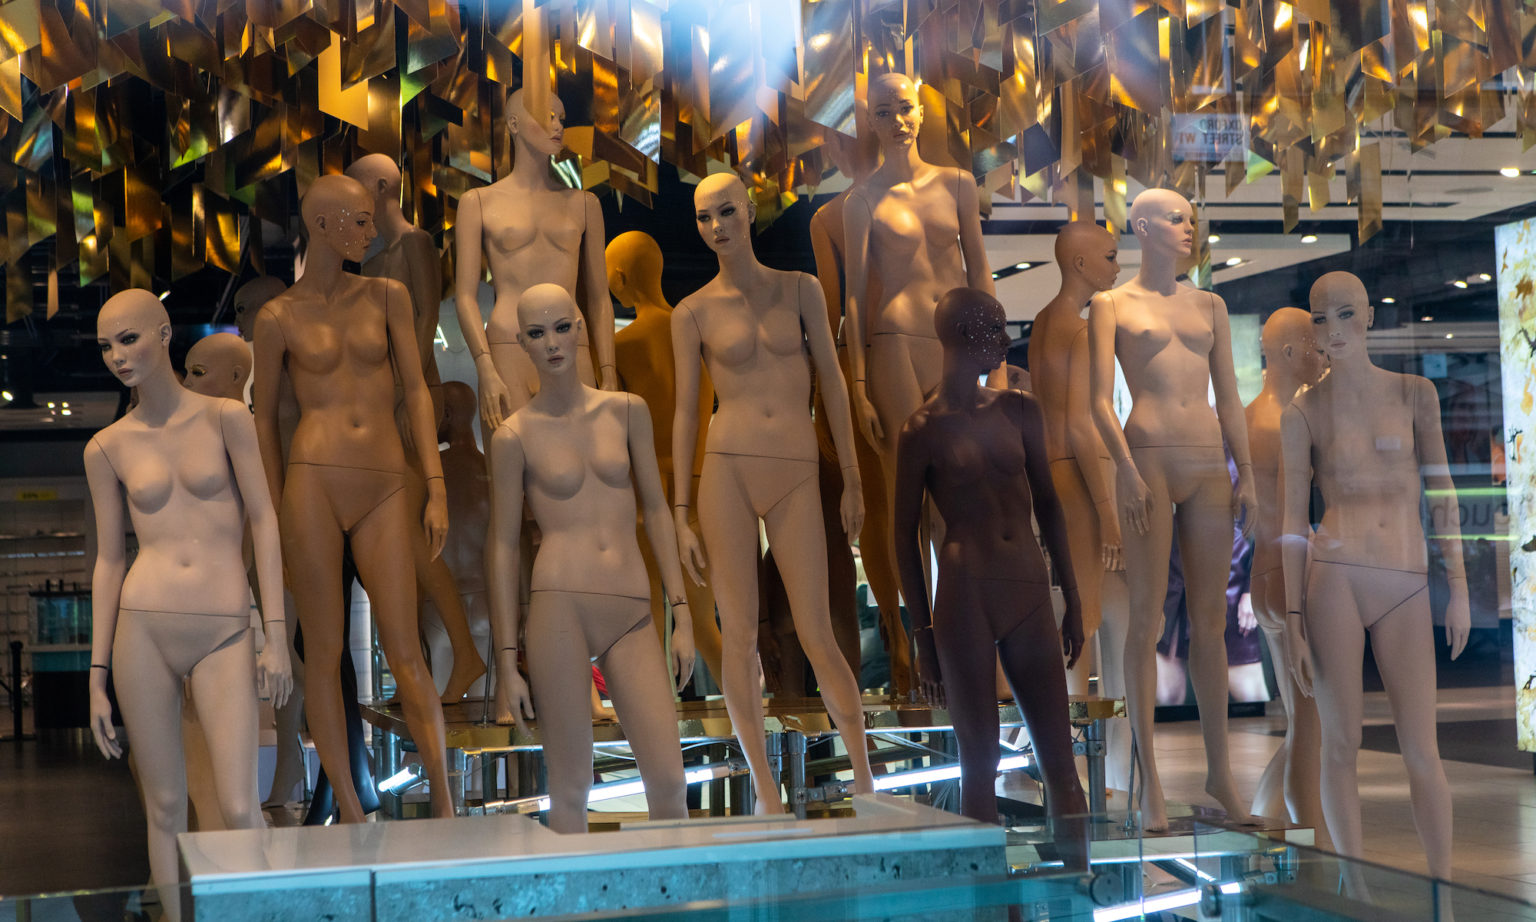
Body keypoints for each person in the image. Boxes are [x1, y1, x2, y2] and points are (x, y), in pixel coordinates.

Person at [252, 173, 453, 822]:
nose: (370, 232)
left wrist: (436, 485)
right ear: (323, 225)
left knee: (405, 648)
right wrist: (274, 515)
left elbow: (417, 391)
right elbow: (264, 423)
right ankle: (349, 807)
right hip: (311, 483)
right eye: (360, 221)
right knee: (325, 652)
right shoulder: (277, 317)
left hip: (385, 481)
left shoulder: (388, 295)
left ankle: (446, 804)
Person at [671, 172, 874, 812]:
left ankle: (865, 778)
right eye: (703, 217)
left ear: (750, 210)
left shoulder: (801, 289)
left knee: (817, 629)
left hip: (795, 466)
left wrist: (852, 477)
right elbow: (685, 412)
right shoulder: (692, 311)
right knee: (739, 636)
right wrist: (679, 511)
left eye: (726, 211)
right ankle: (765, 790)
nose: (716, 227)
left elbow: (832, 383)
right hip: (727, 467)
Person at [86, 290, 292, 919]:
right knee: (165, 806)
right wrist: (96, 675)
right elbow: (109, 561)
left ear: (164, 332)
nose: (118, 357)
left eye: (128, 339)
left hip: (224, 626)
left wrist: (275, 633)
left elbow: (266, 520)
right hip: (142, 627)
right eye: (106, 346)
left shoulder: (226, 418)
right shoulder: (106, 447)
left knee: (239, 804)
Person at [1281, 271, 1468, 892]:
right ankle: (1354, 885)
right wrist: (1294, 621)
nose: (1332, 329)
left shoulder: (1415, 394)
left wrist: (1459, 586)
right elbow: (1291, 522)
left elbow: (1442, 491)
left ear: (1368, 317)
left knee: (1422, 749)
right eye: (1319, 318)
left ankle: (1444, 891)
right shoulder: (1303, 412)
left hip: (1405, 581)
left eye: (1343, 314)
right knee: (1341, 742)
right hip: (1333, 580)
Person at [894, 287, 1089, 869]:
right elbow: (902, 535)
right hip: (965, 595)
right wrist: (923, 636)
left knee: (1060, 761)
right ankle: (991, 905)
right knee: (979, 765)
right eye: (994, 328)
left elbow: (1049, 504)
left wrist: (1072, 597)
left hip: (1026, 587)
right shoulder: (922, 428)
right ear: (960, 336)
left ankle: (1079, 891)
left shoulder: (1020, 409)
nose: (1005, 341)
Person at [489, 284, 695, 834]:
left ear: (580, 327)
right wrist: (506, 660)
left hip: (632, 610)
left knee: (670, 784)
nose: (552, 343)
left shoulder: (627, 411)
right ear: (521, 343)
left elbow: (657, 510)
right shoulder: (513, 436)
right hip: (559, 606)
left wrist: (682, 612)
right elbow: (503, 546)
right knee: (570, 788)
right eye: (537, 333)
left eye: (562, 327)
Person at [1087, 188, 1255, 830]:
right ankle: (1148, 781)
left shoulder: (1210, 303)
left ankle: (1220, 774)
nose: (1189, 227)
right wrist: (1125, 470)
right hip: (1148, 458)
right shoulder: (1112, 304)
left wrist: (1249, 475)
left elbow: (1229, 397)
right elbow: (1098, 401)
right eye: (1177, 218)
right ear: (1141, 226)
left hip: (1209, 460)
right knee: (1146, 619)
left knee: (1211, 620)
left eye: (1192, 218)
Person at [1026, 220, 1130, 787]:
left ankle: (1073, 767)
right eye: (1110, 257)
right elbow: (1081, 425)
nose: (1118, 266)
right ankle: (1079, 772)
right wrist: (1109, 512)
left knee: (1075, 616)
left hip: (1051, 475)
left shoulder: (1044, 322)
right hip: (1080, 479)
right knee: (1084, 622)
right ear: (1082, 264)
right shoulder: (1083, 329)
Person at [454, 85, 617, 436]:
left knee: (582, 460)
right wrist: (485, 366)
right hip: (507, 345)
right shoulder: (478, 202)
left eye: (561, 118)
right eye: (547, 116)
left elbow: (600, 296)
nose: (557, 126)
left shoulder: (585, 204)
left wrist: (609, 371)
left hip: (572, 344)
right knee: (512, 458)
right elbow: (464, 296)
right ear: (513, 124)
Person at [607, 231, 723, 689]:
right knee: (705, 622)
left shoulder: (622, 347)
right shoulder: (699, 335)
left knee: (651, 618)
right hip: (702, 487)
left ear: (619, 278)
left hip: (648, 494)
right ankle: (744, 717)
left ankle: (656, 719)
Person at [1244, 307, 1328, 836]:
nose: (1322, 357)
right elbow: (1294, 513)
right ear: (1292, 351)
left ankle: (1263, 824)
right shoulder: (1290, 419)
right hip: (1291, 577)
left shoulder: (1248, 416)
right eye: (1315, 347)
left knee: (1300, 723)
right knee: (1310, 727)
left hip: (1262, 576)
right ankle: (1315, 846)